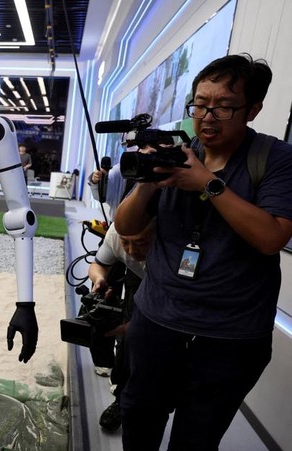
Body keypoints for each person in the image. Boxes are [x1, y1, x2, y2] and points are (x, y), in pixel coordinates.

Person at [115, 54, 292, 450]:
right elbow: (125, 226)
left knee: (196, 436)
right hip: (156, 320)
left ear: (253, 109)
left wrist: (206, 183)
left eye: (224, 107)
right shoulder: (178, 150)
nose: (207, 116)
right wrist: (148, 182)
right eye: (200, 104)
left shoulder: (275, 159)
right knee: (139, 417)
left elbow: (271, 238)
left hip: (231, 336)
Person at [87, 221, 155, 431]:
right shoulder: (116, 232)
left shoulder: (174, 244)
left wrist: (139, 325)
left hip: (169, 283)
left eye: (141, 242)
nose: (132, 250)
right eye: (126, 243)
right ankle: (120, 400)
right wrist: (99, 279)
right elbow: (98, 265)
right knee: (128, 340)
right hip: (139, 275)